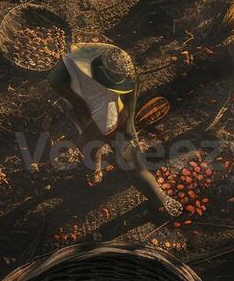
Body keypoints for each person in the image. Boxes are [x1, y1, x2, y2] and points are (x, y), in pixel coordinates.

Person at [46, 42, 181, 216]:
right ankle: (95, 166)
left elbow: (130, 90)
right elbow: (54, 80)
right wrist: (78, 104)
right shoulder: (71, 66)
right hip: (91, 110)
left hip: (111, 112)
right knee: (93, 145)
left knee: (128, 157)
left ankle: (158, 198)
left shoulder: (118, 59)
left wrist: (130, 123)